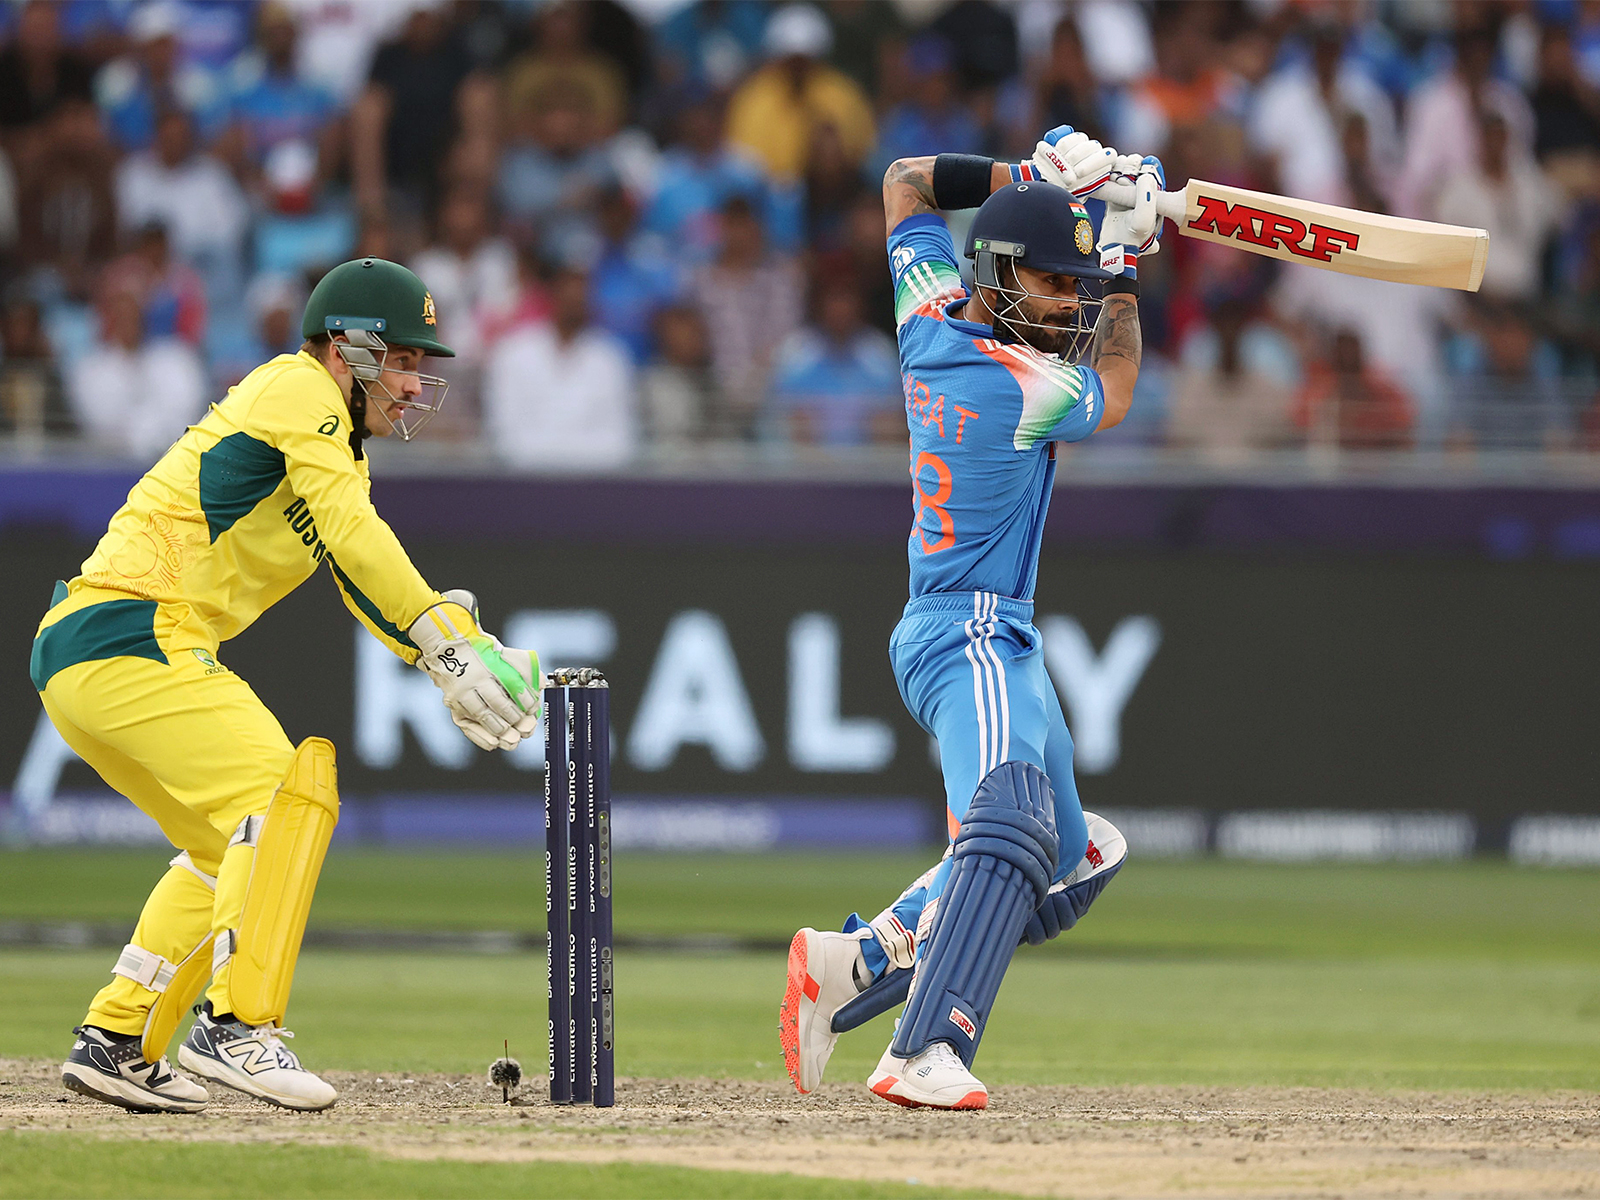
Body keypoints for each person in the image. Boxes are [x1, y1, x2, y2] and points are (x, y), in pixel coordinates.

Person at [39, 258, 542, 1114]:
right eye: (405, 360)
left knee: (226, 851)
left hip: (95, 650)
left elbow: (355, 575)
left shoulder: (332, 446)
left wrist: (448, 646)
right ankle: (237, 1026)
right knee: (279, 793)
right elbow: (353, 530)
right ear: (349, 349)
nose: (415, 384)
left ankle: (119, 1038)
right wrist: (440, 641)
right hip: (133, 632)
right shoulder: (296, 388)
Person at [779, 128, 1149, 1109]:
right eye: (1054, 284)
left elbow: (905, 182)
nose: (1069, 304)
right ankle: (922, 1049)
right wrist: (1125, 260)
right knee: (1008, 821)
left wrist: (1027, 179)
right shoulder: (1017, 385)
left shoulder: (928, 315)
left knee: (1073, 858)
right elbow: (1117, 388)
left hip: (996, 635)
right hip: (968, 633)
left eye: (1076, 287)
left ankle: (855, 962)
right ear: (995, 271)